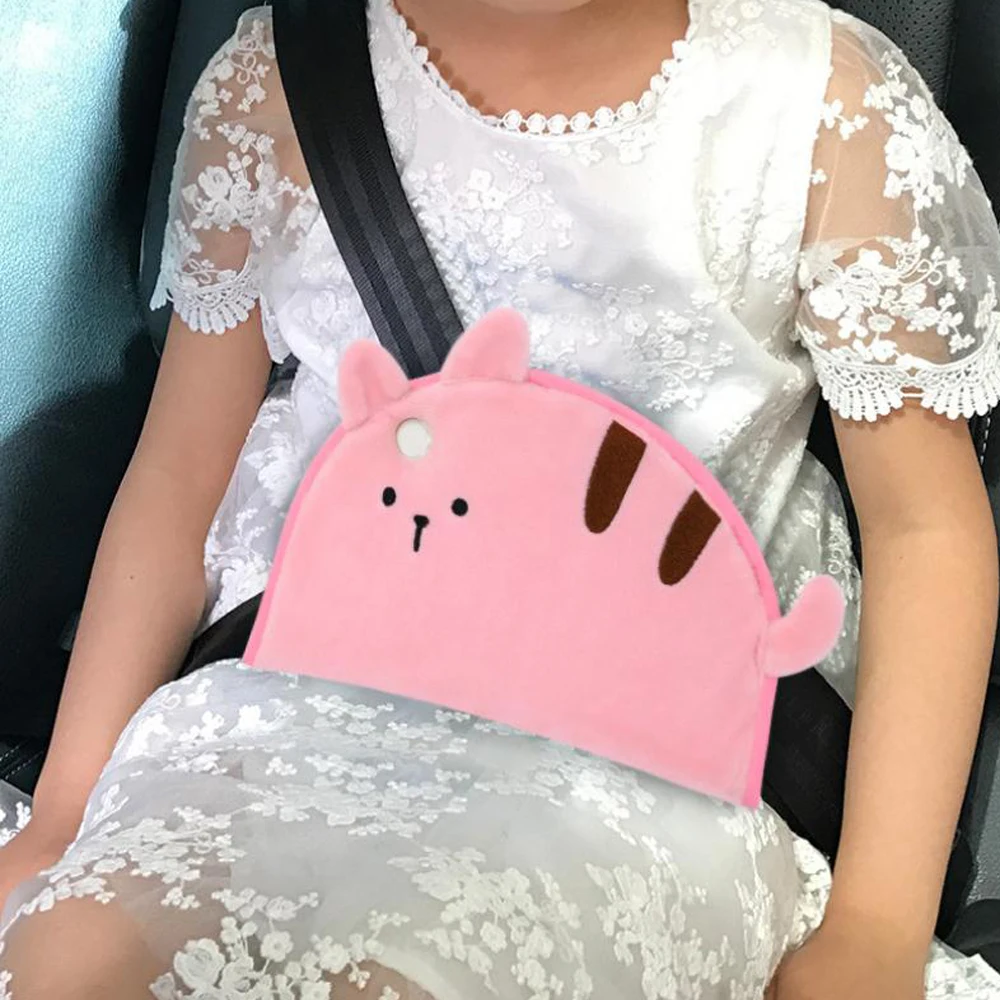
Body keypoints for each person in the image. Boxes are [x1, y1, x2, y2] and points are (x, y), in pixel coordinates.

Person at [2, 0, 1000, 996]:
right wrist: (66, 808)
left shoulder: (818, 102)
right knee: (73, 953)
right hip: (301, 689)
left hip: (652, 743)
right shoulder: (280, 84)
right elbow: (180, 478)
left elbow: (923, 528)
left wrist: (877, 922)